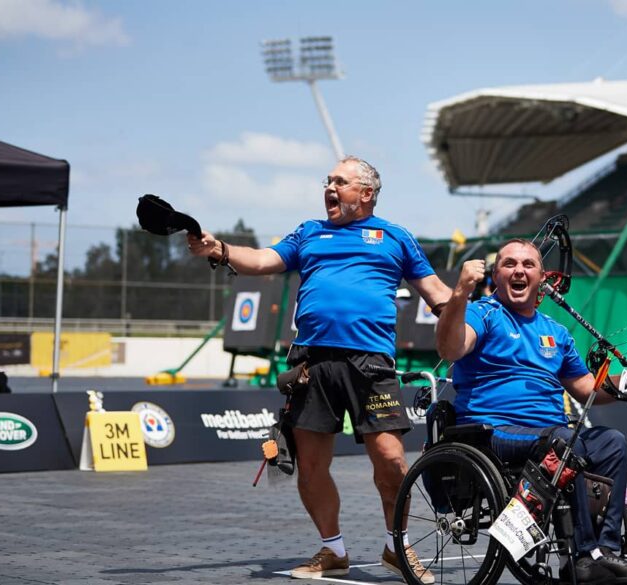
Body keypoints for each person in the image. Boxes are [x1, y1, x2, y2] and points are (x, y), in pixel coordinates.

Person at [188, 156, 452, 582]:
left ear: (365, 193)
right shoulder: (309, 232)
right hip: (311, 364)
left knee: (391, 461)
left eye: (340, 182)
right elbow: (260, 260)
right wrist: (218, 249)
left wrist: (467, 313)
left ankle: (396, 546)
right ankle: (333, 551)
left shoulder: (395, 237)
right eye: (327, 181)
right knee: (310, 468)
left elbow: (437, 292)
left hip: (371, 365)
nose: (329, 187)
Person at [437, 239, 627, 584]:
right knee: (565, 441)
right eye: (509, 265)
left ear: (541, 278)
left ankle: (605, 551)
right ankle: (582, 557)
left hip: (550, 436)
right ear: (497, 276)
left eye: (528, 265)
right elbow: (450, 347)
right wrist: (460, 293)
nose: (519, 271)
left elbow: (588, 388)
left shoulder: (555, 332)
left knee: (613, 442)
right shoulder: (482, 313)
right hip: (492, 432)